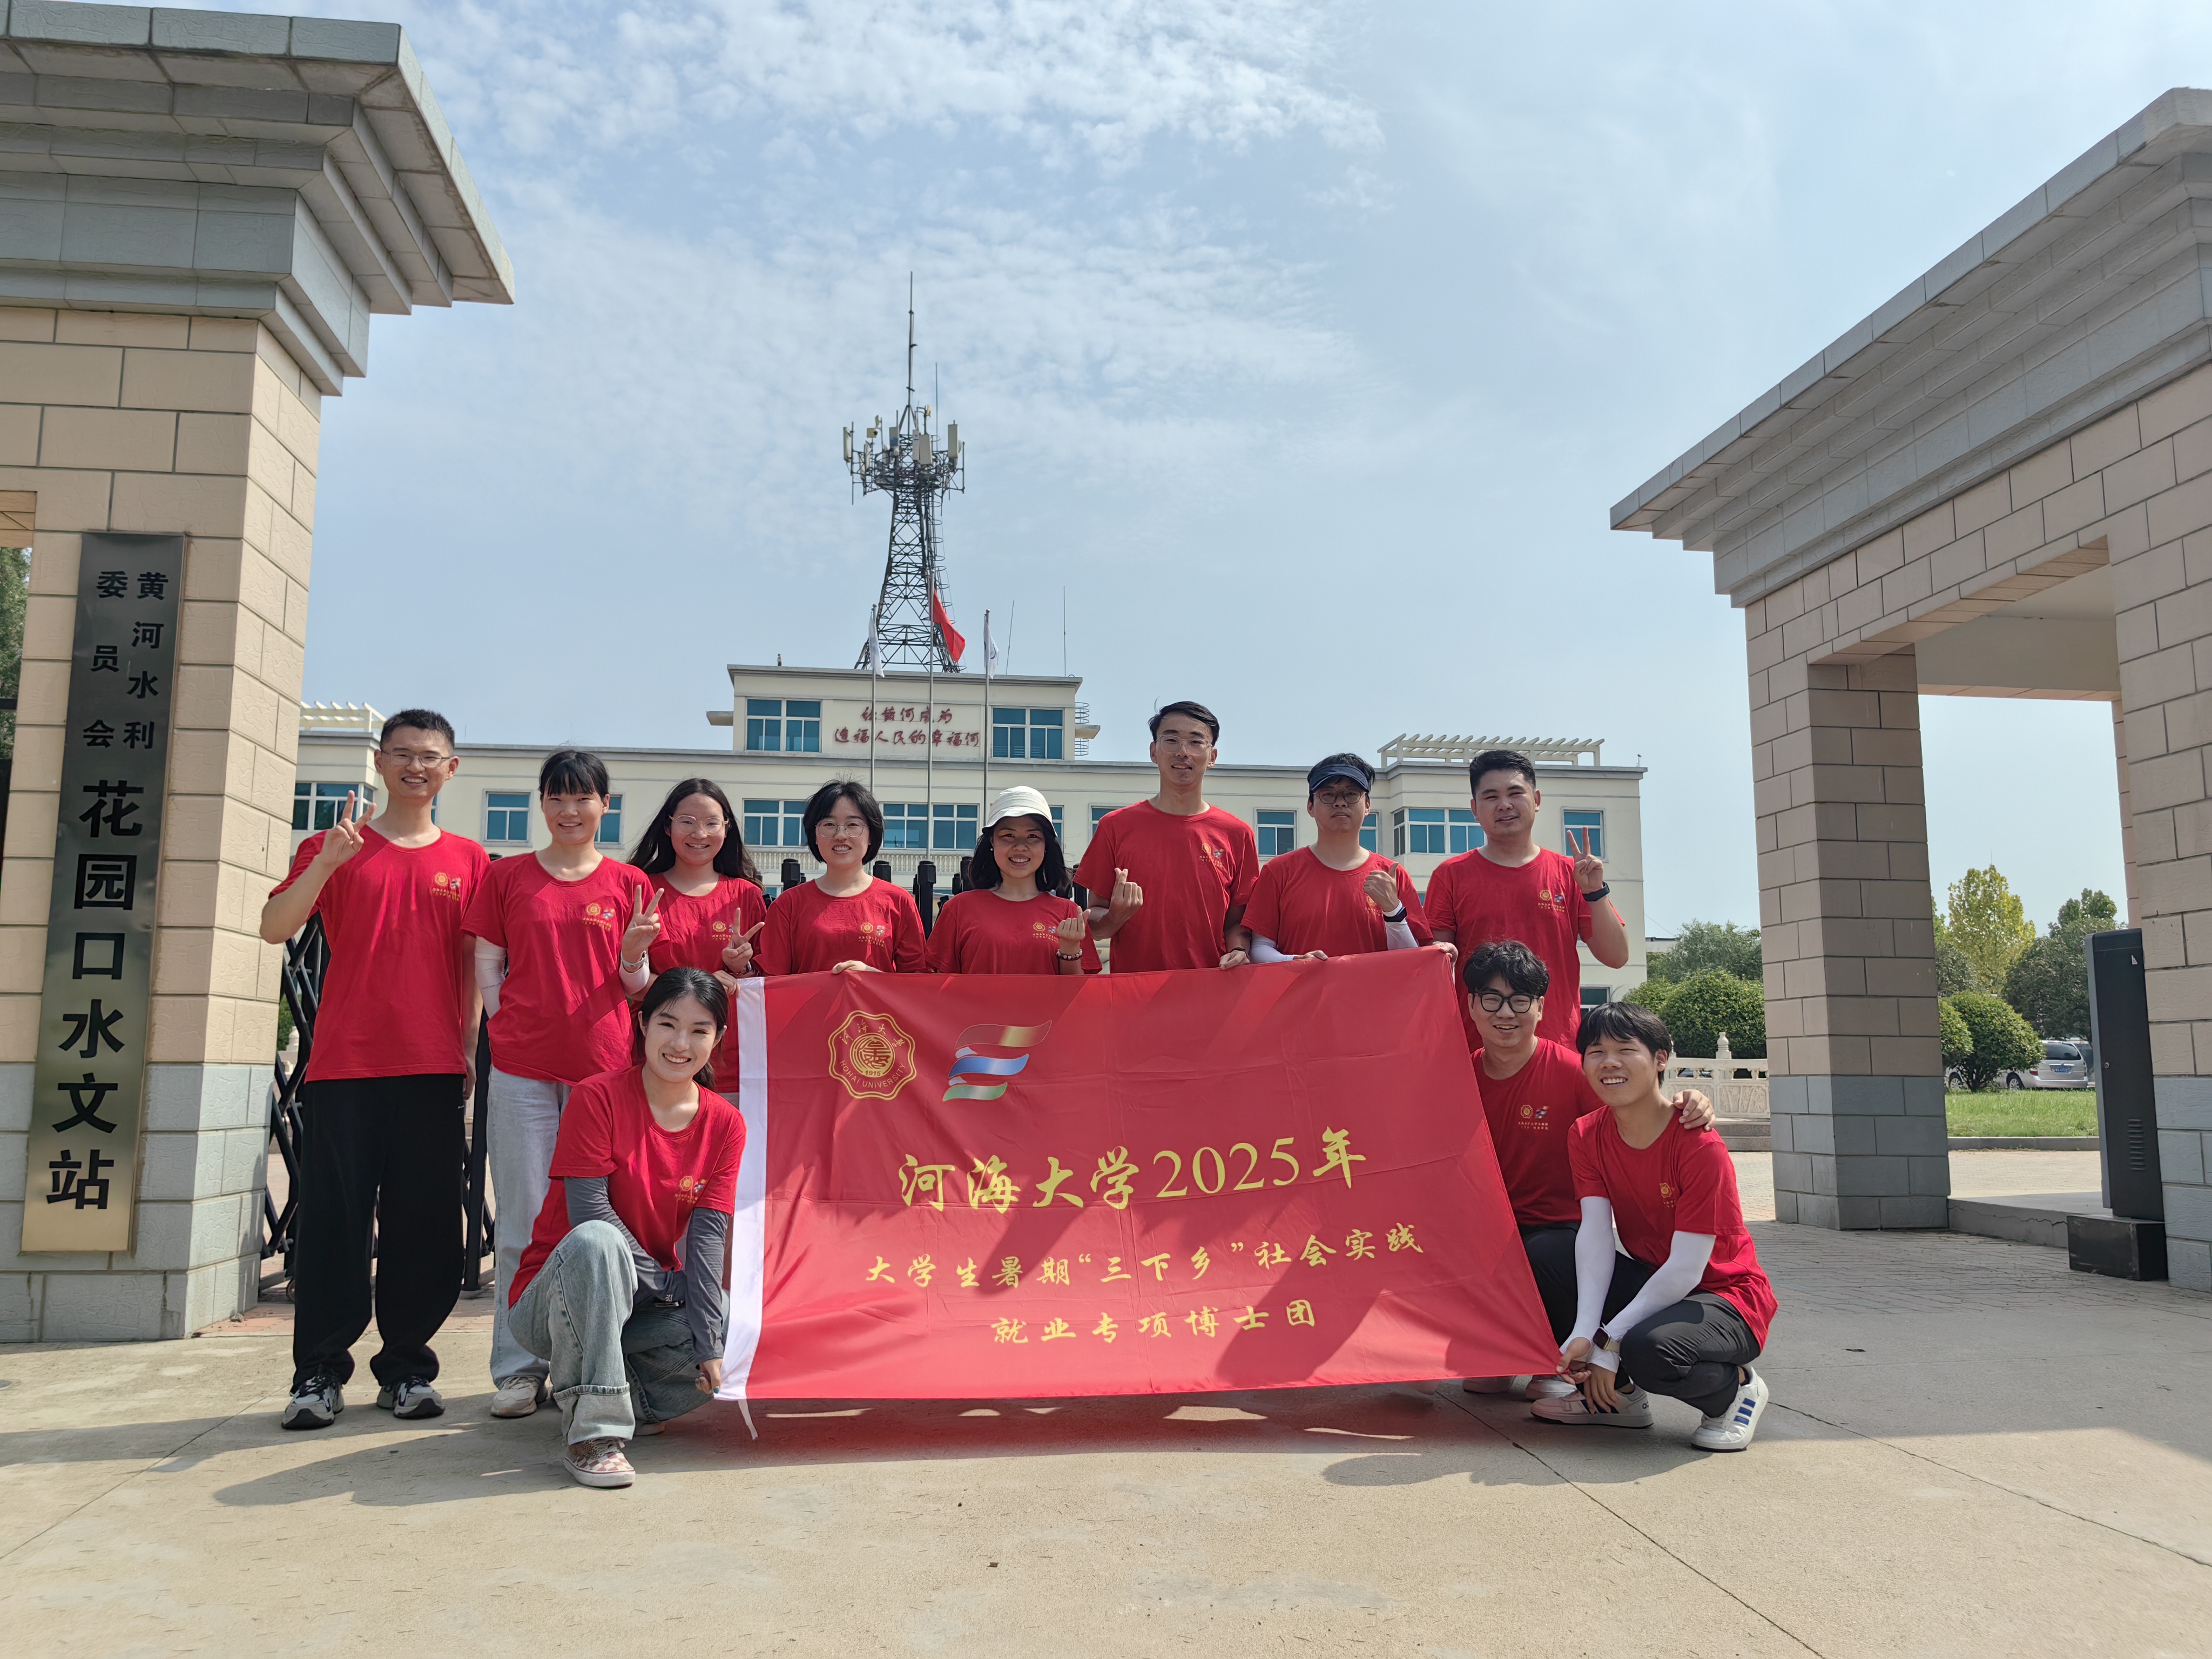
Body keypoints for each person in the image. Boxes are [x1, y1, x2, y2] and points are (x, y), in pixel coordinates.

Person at [262, 710, 489, 1431]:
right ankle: (318, 1372)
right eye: (402, 754)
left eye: (430, 756)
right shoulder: (334, 846)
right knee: (335, 1222)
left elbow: (473, 967)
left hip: (432, 1065)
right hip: (346, 1063)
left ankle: (408, 1369)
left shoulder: (470, 859)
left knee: (425, 1223)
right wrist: (326, 863)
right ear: (380, 762)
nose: (416, 766)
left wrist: (467, 1048)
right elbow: (274, 926)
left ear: (451, 768)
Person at [464, 750, 659, 1419]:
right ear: (542, 804)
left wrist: (633, 953)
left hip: (602, 1074)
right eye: (557, 797)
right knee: (521, 1221)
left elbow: (638, 986)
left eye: (583, 798)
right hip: (522, 1071)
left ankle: (587, 1364)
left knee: (596, 1223)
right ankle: (519, 1369)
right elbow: (487, 961)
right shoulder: (508, 877)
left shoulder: (628, 882)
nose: (570, 810)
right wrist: (504, 1023)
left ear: (605, 804)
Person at [507, 967, 745, 1489]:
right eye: (668, 1024)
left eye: (699, 1030)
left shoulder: (726, 1122)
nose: (680, 1044)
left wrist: (709, 1346)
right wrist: (667, 1285)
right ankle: (594, 1436)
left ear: (718, 1038)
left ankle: (610, 1395)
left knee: (726, 1322)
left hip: (639, 1309)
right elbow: (589, 1211)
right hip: (555, 1302)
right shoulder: (597, 1097)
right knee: (600, 1242)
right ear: (643, 1025)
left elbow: (708, 1241)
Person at [1456, 940, 1712, 1400]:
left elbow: (1636, 1109)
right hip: (1483, 1229)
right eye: (1491, 999)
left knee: (1545, 1255)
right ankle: (1502, 1353)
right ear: (1471, 1005)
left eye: (1520, 1000)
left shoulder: (1577, 1072)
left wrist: (1691, 1100)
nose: (1505, 1013)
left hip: (1557, 1230)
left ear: (1541, 1007)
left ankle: (1551, 1361)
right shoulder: (1457, 1077)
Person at [1536, 1001, 1777, 1451]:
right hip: (1656, 1281)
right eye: (1596, 1052)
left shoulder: (1698, 1144)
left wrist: (1610, 1342)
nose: (1609, 1062)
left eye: (1626, 1050)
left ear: (1661, 1058)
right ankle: (1618, 1400)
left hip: (1725, 1295)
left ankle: (1735, 1393)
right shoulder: (1586, 1134)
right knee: (1548, 1254)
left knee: (1649, 1349)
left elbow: (1687, 1268)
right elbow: (1595, 1234)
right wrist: (1585, 1331)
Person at [1425, 748, 1630, 1046]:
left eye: (1515, 793)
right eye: (1491, 797)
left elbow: (1617, 957)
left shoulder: (1571, 874)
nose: (1504, 805)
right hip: (1477, 1049)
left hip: (1556, 1046)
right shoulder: (1451, 875)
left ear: (1536, 800)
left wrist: (1595, 892)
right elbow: (1437, 972)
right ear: (1475, 809)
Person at [1074, 700, 1258, 972]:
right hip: (1136, 989)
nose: (1183, 752)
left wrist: (1239, 950)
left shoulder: (1237, 834)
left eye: (1196, 742)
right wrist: (1115, 916)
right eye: (1171, 740)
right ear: (1154, 752)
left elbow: (1238, 923)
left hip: (1213, 985)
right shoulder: (1115, 827)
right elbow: (1095, 924)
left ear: (1212, 757)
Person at [1243, 753, 1429, 960]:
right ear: (1311, 807)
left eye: (1351, 794)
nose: (1340, 803)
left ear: (1368, 806)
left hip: (1376, 984)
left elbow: (1416, 960)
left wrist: (1393, 910)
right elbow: (1259, 947)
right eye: (1328, 794)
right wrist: (1295, 961)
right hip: (1302, 983)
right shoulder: (1279, 871)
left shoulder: (1392, 875)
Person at [755, 780, 927, 974]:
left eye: (853, 825)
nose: (841, 836)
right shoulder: (788, 905)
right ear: (815, 835)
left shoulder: (898, 901)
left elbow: (917, 980)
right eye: (829, 825)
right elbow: (772, 982)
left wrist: (875, 978)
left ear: (871, 835)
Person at [928, 786, 1099, 974]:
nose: (1020, 846)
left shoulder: (1069, 913)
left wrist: (1070, 949)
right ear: (992, 842)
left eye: (1033, 836)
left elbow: (1078, 991)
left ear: (1046, 845)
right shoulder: (958, 909)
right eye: (1008, 835)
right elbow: (938, 984)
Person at [630, 777, 767, 1001]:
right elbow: (629, 981)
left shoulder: (747, 895)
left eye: (712, 823)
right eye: (687, 822)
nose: (700, 834)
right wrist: (702, 988)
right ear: (668, 827)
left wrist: (741, 969)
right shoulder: (642, 890)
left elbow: (764, 984)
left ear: (726, 829)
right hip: (658, 1022)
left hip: (728, 1022)